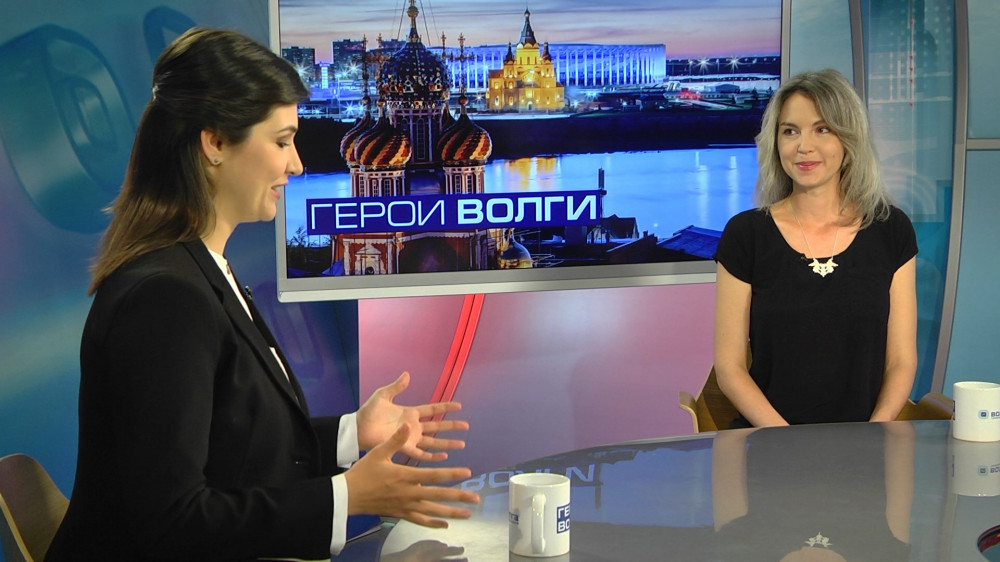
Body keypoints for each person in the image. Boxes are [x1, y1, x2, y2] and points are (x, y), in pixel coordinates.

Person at [46, 28, 479, 561]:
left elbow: (233, 444)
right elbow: (170, 524)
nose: (296, 164)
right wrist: (346, 495)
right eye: (281, 141)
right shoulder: (166, 297)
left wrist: (351, 433)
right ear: (215, 143)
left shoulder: (197, 269)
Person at [713, 68, 918, 428]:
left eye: (822, 129)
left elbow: (901, 361)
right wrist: (788, 441)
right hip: (771, 444)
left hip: (865, 445)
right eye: (790, 131)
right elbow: (729, 369)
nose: (803, 146)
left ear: (848, 138)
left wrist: (874, 435)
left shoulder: (891, 229)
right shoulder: (746, 235)